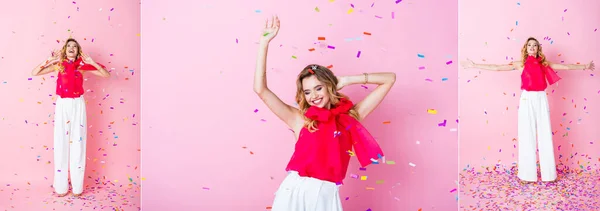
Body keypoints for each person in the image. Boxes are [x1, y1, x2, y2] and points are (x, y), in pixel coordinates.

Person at [254, 16, 396, 210]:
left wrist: (347, 80)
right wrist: (264, 43)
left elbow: (389, 79)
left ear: (330, 87)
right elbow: (261, 90)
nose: (313, 96)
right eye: (307, 91)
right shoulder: (300, 119)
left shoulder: (350, 117)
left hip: (326, 196)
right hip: (294, 193)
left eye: (318, 88)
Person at [462, 37, 595, 183]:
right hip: (527, 99)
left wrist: (585, 66)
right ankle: (527, 175)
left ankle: (549, 175)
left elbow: (566, 67)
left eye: (535, 45)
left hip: (541, 98)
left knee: (545, 132)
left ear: (538, 49)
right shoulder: (520, 64)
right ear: (526, 48)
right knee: (527, 134)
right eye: (530, 45)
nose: (532, 47)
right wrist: (474, 65)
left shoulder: (544, 63)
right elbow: (497, 67)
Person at [31, 38, 110, 197]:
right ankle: (60, 187)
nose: (71, 48)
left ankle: (77, 187)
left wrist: (92, 62)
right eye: (69, 46)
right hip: (62, 104)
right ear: (65, 50)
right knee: (61, 141)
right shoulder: (58, 66)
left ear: (78, 50)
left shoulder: (81, 66)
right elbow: (34, 72)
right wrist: (49, 60)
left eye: (74, 46)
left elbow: (106, 75)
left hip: (78, 104)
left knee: (78, 142)